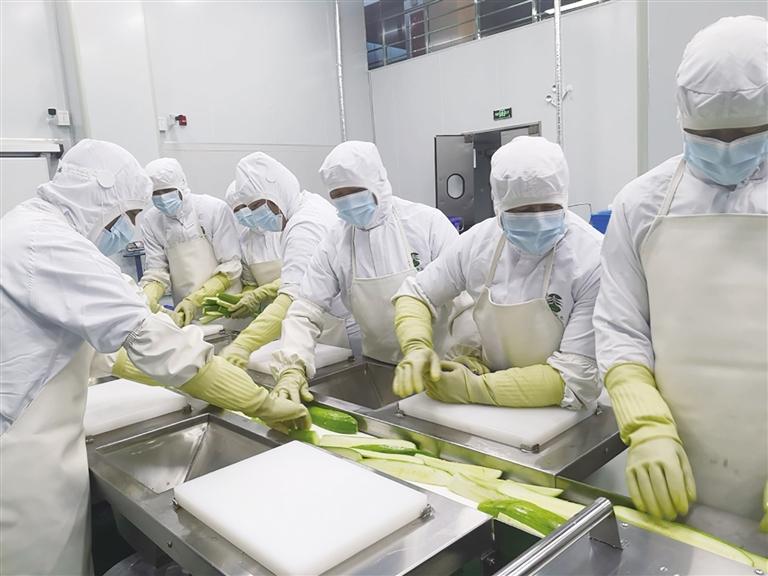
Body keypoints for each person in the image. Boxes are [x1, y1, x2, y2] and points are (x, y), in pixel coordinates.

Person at [0, 140, 309, 575]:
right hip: (22, 458)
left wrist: (181, 364)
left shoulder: (31, 229)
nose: (130, 230)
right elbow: (149, 343)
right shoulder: (47, 244)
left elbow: (109, 353)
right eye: (128, 215)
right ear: (100, 199)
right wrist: (257, 401)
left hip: (35, 445)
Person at [593, 15, 768, 527]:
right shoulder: (641, 204)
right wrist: (646, 426)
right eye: (710, 136)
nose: (728, 148)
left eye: (746, 134)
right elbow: (621, 326)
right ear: (683, 118)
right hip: (674, 473)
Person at [393, 136, 603, 410]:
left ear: (564, 200)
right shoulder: (478, 242)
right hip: (493, 407)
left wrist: (474, 388)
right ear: (499, 208)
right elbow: (417, 294)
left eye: (549, 209)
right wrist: (416, 347)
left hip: (562, 410)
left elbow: (575, 377)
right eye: (522, 211)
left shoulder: (593, 258)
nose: (538, 220)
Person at [270, 141, 473, 403]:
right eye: (339, 196)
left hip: (440, 365)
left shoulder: (426, 223)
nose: (348, 202)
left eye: (355, 192)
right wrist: (292, 366)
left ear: (377, 182)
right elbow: (306, 308)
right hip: (379, 368)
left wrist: (466, 353)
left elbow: (463, 300)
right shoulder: (335, 242)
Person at [220, 152, 355, 368]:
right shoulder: (307, 204)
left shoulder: (304, 226)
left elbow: (294, 296)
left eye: (257, 206)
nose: (255, 216)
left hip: (341, 324)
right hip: (332, 318)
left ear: (277, 192)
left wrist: (244, 344)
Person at [139, 158, 242, 326]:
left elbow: (231, 265)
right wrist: (149, 295)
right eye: (156, 194)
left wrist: (196, 299)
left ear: (181, 184)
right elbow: (157, 269)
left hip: (224, 306)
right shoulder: (151, 221)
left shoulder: (212, 209)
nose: (162, 198)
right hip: (184, 311)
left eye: (168, 191)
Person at [223, 180, 282, 319]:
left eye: (245, 206)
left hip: (299, 306)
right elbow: (251, 282)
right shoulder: (244, 242)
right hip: (269, 314)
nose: (243, 213)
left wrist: (261, 293)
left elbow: (299, 275)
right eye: (237, 210)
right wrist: (247, 295)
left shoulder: (282, 230)